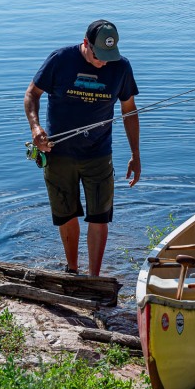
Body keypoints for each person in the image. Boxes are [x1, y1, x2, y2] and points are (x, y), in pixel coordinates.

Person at [24, 20, 140, 277]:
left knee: (99, 217)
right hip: (58, 153)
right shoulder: (60, 59)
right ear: (86, 43)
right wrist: (36, 129)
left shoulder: (121, 67)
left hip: (98, 154)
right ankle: (73, 270)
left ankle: (94, 278)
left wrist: (135, 154)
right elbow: (32, 94)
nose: (104, 63)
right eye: (99, 56)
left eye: (109, 56)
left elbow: (129, 110)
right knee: (66, 215)